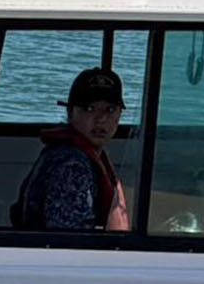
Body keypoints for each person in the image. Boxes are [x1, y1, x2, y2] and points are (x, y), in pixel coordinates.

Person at [13, 66, 130, 231]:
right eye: (89, 109)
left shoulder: (85, 155)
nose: (101, 119)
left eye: (110, 109)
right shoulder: (70, 166)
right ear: (70, 112)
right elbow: (71, 241)